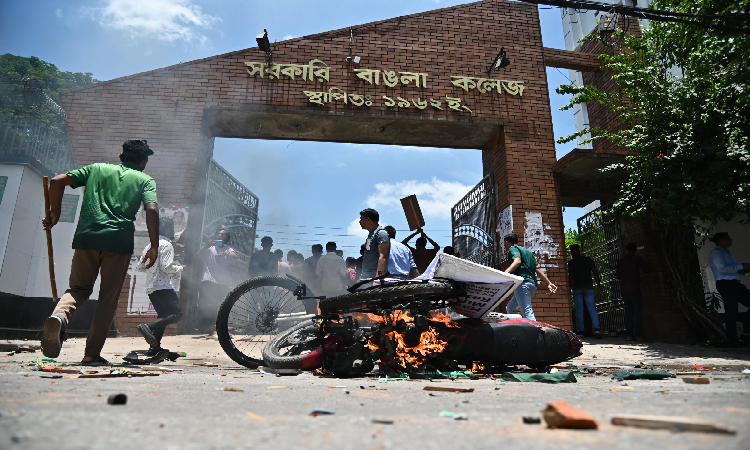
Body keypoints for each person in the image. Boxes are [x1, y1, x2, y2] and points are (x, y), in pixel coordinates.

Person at [40, 140, 159, 365]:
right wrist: (154, 245)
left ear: (121, 157)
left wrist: (55, 215)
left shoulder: (96, 169)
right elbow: (151, 209)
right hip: (118, 242)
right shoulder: (145, 180)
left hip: (87, 237)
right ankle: (91, 354)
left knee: (78, 288)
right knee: (107, 299)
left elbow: (56, 181)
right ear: (143, 162)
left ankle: (59, 316)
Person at [135, 217, 184, 355]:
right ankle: (148, 327)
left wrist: (153, 269)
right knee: (176, 314)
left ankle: (154, 348)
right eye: (173, 228)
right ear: (168, 229)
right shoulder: (167, 245)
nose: (173, 232)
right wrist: (179, 268)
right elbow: (166, 267)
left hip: (151, 288)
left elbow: (141, 267)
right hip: (163, 287)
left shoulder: (150, 245)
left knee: (163, 316)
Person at [503, 233, 557, 321]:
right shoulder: (528, 252)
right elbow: (537, 269)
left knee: (527, 312)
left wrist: (505, 274)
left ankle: (535, 333)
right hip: (532, 286)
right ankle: (518, 329)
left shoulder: (513, 249)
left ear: (507, 242)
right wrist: (549, 283)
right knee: (511, 307)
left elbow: (517, 261)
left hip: (522, 285)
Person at [708, 232, 750, 346]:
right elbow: (722, 269)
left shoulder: (727, 253)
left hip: (735, 283)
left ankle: (746, 332)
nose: (730, 240)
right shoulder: (716, 253)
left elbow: (731, 269)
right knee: (731, 311)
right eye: (728, 239)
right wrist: (741, 266)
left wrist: (742, 270)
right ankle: (733, 340)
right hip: (726, 284)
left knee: (736, 309)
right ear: (721, 241)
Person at [193, 229, 237, 333]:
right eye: (218, 233)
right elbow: (195, 258)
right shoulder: (209, 248)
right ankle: (209, 328)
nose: (220, 235)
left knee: (222, 305)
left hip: (223, 282)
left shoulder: (227, 249)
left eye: (223, 235)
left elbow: (235, 256)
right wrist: (205, 246)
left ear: (226, 238)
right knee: (209, 305)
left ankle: (219, 326)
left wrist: (226, 255)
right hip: (209, 280)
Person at [616, 243, 651, 341]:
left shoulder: (621, 261)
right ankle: (639, 334)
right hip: (635, 288)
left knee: (628, 312)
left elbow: (618, 275)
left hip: (624, 289)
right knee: (637, 312)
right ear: (635, 250)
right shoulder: (637, 259)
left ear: (626, 250)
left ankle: (629, 335)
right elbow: (647, 269)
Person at [568, 244, 603, 339]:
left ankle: (581, 331)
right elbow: (595, 273)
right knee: (592, 308)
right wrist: (598, 285)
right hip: (589, 288)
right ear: (579, 250)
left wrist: (569, 288)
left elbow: (571, 276)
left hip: (577, 288)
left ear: (572, 252)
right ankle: (597, 329)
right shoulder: (588, 260)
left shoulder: (572, 263)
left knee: (579, 310)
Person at [358, 209, 390, 285]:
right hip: (366, 275)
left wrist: (377, 279)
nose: (360, 222)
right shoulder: (371, 235)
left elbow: (383, 256)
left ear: (368, 220)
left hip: (373, 276)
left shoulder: (381, 233)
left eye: (361, 219)